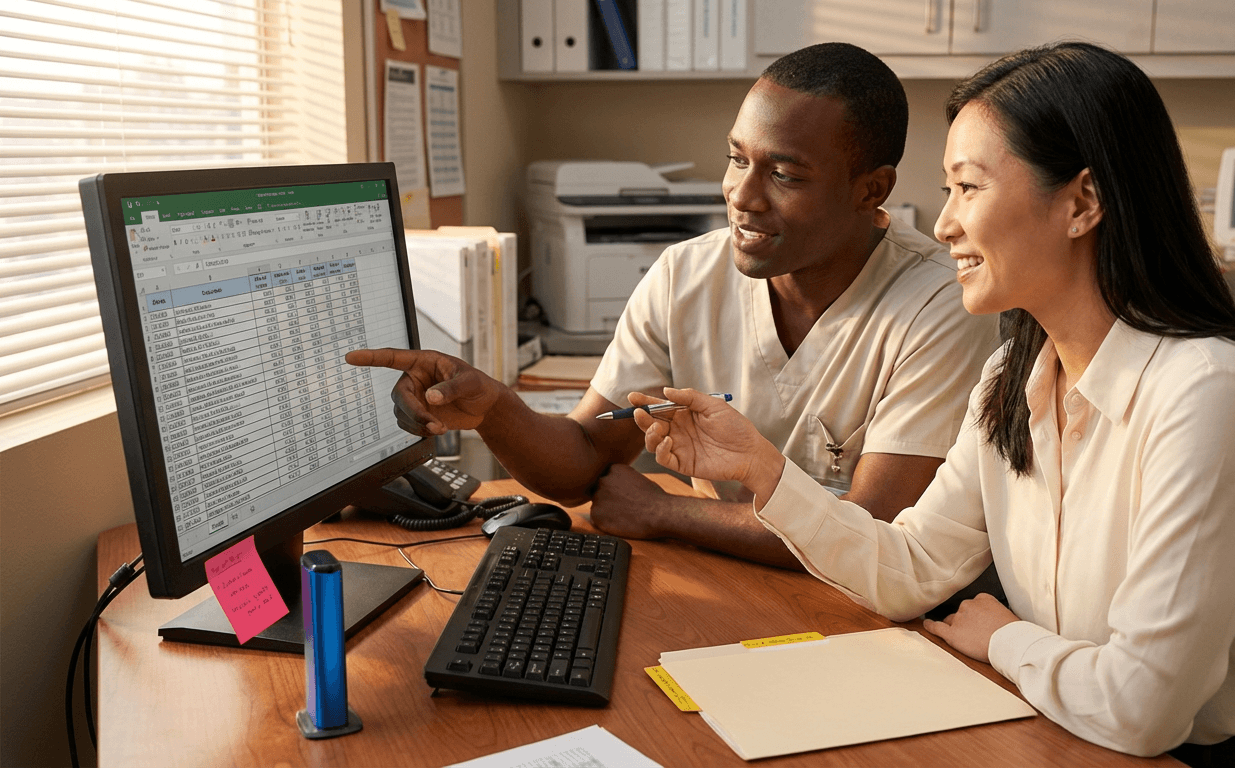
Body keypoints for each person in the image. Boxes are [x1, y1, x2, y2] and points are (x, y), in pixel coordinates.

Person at [631, 42, 1235, 765]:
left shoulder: (1207, 393)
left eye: (968, 188)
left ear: (1082, 202)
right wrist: (764, 471)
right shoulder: (1014, 375)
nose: (943, 225)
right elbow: (910, 568)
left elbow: (1143, 708)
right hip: (1063, 728)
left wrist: (1002, 636)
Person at [347, 43, 1000, 570]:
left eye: (786, 175)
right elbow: (584, 458)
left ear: (872, 189)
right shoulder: (687, 274)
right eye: (736, 159)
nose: (743, 196)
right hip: (729, 589)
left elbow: (872, 535)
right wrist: (496, 410)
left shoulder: (943, 300)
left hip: (876, 630)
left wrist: (668, 512)